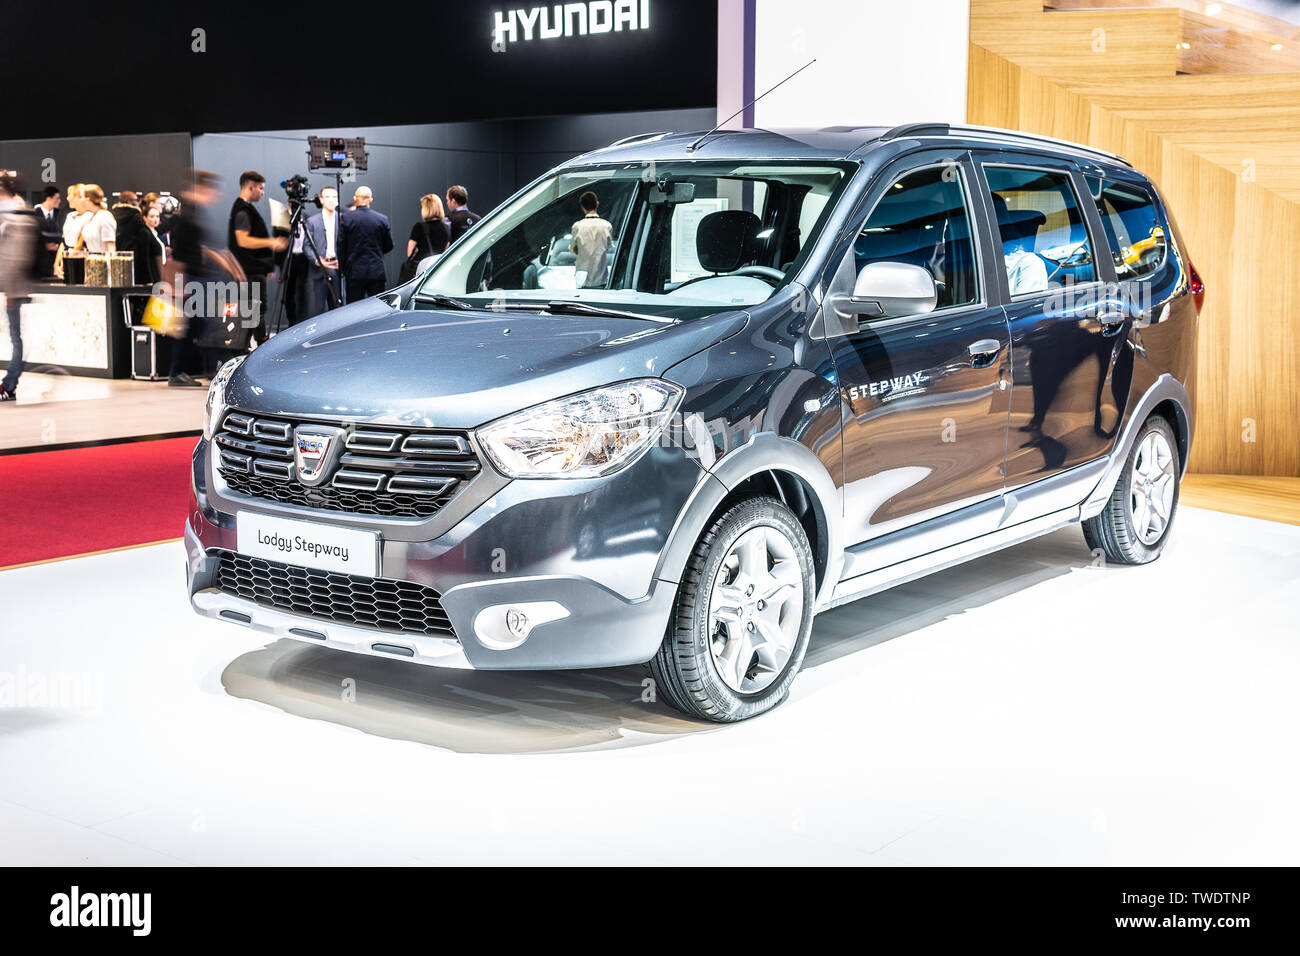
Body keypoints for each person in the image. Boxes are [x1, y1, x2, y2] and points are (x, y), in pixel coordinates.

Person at [168, 169, 243, 387]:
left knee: (196, 326)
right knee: (206, 324)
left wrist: (231, 267)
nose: (215, 195)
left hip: (199, 279)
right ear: (201, 188)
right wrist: (178, 284)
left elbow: (205, 249)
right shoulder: (187, 217)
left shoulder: (194, 213)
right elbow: (180, 255)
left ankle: (183, 372)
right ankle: (217, 369)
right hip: (193, 280)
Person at [227, 171, 287, 344]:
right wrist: (272, 243)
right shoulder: (243, 211)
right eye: (261, 188)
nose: (262, 192)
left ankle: (251, 344)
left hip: (253, 270)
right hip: (248, 272)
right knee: (253, 310)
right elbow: (243, 240)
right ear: (250, 187)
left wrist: (265, 266)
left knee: (253, 309)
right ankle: (256, 344)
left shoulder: (247, 209)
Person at [0, 170, 38, 402]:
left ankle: (9, 384)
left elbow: (17, 256)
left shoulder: (17, 215)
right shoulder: (13, 213)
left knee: (17, 337)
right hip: (12, 286)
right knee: (16, 336)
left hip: (16, 288)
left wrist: (11, 290)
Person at [340, 185, 392, 302]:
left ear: (355, 198)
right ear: (371, 200)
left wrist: (343, 269)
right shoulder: (381, 219)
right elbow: (389, 245)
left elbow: (341, 246)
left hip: (354, 272)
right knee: (378, 308)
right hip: (376, 271)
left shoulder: (346, 218)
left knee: (353, 310)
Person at [303, 185, 345, 318]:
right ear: (321, 200)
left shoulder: (343, 219)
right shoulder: (312, 221)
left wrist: (343, 262)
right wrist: (318, 261)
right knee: (319, 310)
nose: (331, 200)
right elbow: (306, 246)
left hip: (338, 268)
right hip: (320, 269)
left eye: (334, 197)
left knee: (339, 308)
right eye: (327, 197)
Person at [570, 190, 612, 288]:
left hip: (582, 279)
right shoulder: (606, 225)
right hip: (601, 278)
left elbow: (574, 249)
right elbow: (608, 247)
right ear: (597, 204)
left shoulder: (577, 226)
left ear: (582, 207)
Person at [407, 193, 450, 260]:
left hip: (422, 267)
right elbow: (446, 251)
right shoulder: (447, 228)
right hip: (438, 267)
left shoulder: (419, 227)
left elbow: (410, 253)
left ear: (425, 209)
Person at [75, 184, 117, 253]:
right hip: (90, 260)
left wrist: (109, 263)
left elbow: (111, 247)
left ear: (88, 199)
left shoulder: (105, 216)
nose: (79, 201)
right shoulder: (90, 217)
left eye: (81, 197)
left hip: (102, 261)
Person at [111, 190, 146, 261]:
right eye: (136, 200)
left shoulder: (111, 214)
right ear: (129, 202)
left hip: (115, 253)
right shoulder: (137, 216)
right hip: (133, 255)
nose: (138, 202)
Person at [136, 203, 166, 286]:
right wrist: (148, 280)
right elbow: (143, 257)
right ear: (144, 218)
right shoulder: (145, 233)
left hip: (157, 274)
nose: (156, 219)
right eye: (152, 216)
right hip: (151, 278)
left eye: (157, 216)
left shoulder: (153, 232)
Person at [34, 186, 61, 277]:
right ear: (48, 198)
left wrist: (58, 246)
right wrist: (44, 246)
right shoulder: (34, 213)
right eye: (56, 198)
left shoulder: (60, 214)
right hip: (39, 262)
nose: (59, 201)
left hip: (55, 261)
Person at [61, 184, 86, 249]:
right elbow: (63, 242)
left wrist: (70, 256)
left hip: (80, 255)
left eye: (70, 195)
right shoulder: (70, 215)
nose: (67, 198)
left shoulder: (89, 216)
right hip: (67, 253)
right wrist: (58, 259)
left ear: (81, 197)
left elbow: (80, 244)